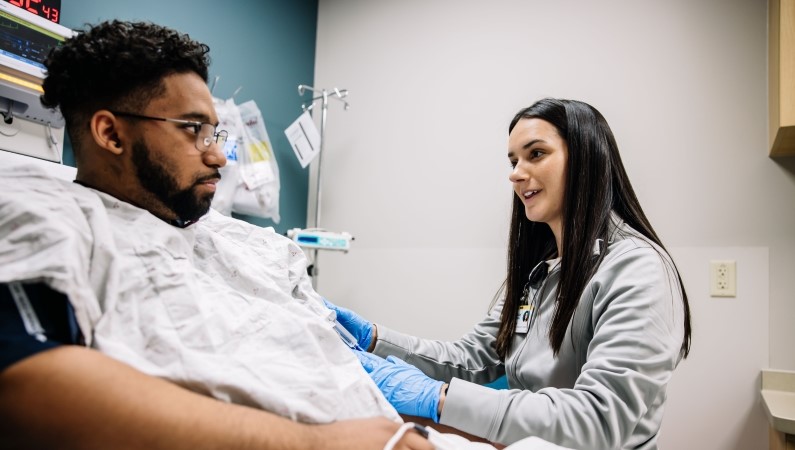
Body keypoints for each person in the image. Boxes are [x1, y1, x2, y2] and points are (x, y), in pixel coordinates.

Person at [0, 19, 432, 450]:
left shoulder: (245, 241)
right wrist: (317, 442)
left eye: (215, 131)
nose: (220, 157)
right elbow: (25, 382)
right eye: (193, 130)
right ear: (111, 133)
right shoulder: (49, 215)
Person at [326, 98, 693, 449]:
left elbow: (598, 418)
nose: (516, 174)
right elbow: (472, 358)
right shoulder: (540, 273)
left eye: (536, 154)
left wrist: (437, 398)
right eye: (513, 160)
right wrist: (374, 338)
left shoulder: (636, 269)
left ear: (586, 159)